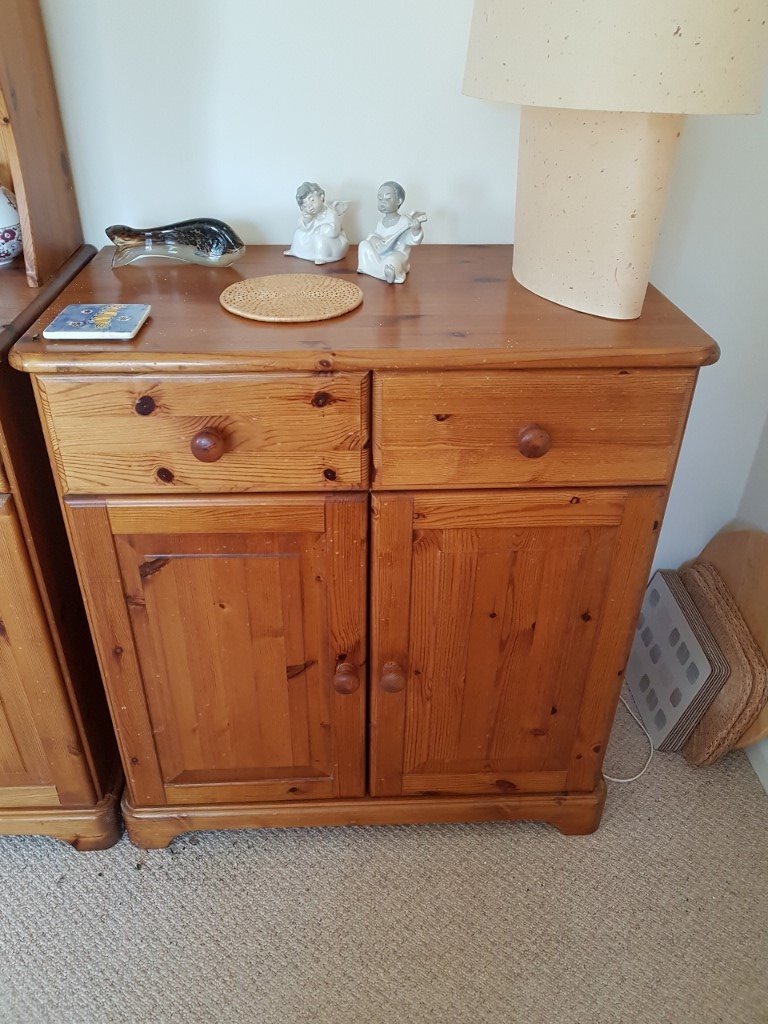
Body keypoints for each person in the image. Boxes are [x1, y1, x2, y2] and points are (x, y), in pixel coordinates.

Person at [357, 181, 426, 283]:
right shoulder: (381, 222)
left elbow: (412, 240)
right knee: (363, 245)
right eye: (380, 199)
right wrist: (374, 238)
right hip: (381, 254)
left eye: (388, 199)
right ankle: (376, 270)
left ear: (399, 200)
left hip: (397, 254)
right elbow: (376, 236)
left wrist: (416, 229)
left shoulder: (405, 221)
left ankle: (390, 272)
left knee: (392, 260)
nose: (382, 202)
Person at [284, 182, 349, 265]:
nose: (310, 206)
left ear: (321, 197)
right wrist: (307, 219)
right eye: (305, 204)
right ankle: (296, 251)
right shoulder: (310, 215)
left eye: (312, 200)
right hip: (314, 237)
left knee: (319, 239)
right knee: (299, 233)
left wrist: (322, 229)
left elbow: (334, 231)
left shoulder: (331, 213)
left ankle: (322, 256)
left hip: (332, 242)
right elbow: (303, 226)